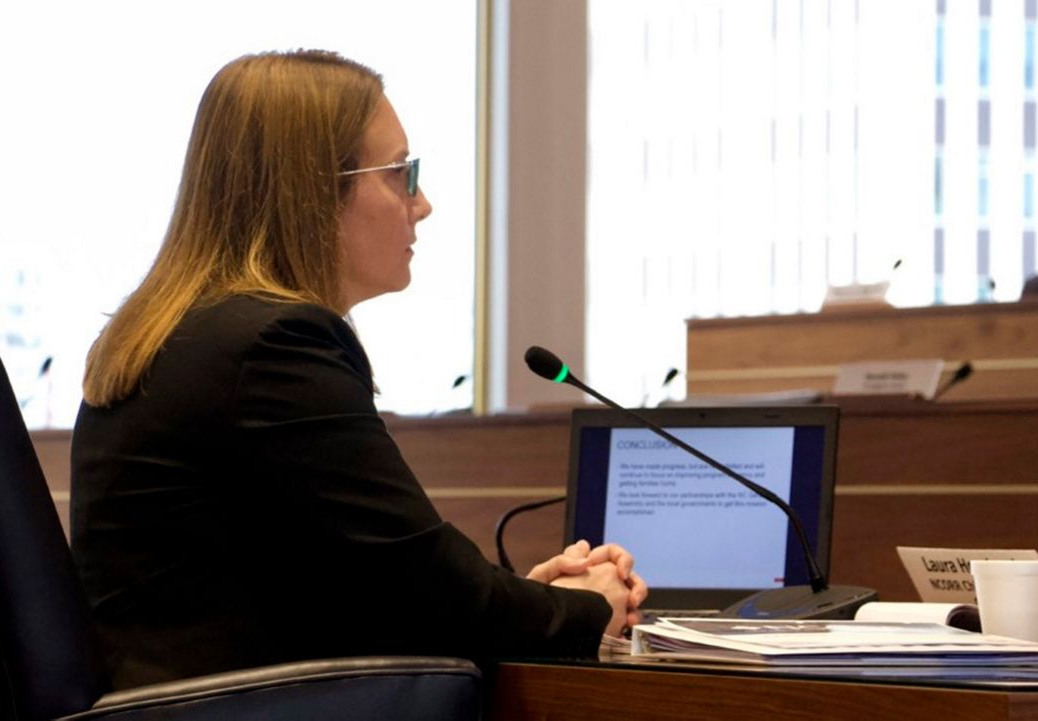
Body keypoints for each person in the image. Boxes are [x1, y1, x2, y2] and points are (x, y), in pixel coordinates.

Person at [71, 49, 646, 689]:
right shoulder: (272, 347)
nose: (422, 203)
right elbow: (435, 596)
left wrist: (524, 599)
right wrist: (593, 607)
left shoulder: (184, 334)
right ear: (313, 187)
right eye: (403, 172)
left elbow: (382, 585)